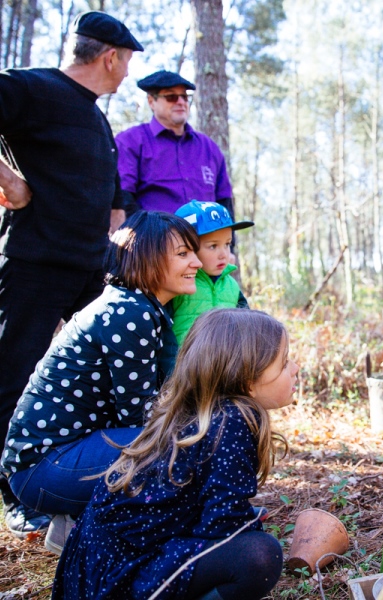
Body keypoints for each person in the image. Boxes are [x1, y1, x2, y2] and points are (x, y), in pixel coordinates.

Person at [0, 10, 143, 537]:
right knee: (14, 376)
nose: (126, 73)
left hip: (91, 272)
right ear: (110, 57)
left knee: (92, 383)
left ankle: (78, 484)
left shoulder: (94, 115)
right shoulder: (31, 88)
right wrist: (11, 183)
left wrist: (119, 238)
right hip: (36, 264)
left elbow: (109, 195)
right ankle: (17, 497)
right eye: (126, 63)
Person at [52, 309, 297, 600]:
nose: (294, 367)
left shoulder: (199, 415)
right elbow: (223, 526)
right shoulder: (232, 421)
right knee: (259, 555)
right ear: (246, 380)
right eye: (283, 364)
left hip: (98, 568)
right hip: (123, 577)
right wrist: (248, 523)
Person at [1, 211, 202, 551]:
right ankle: (175, 529)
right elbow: (140, 416)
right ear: (147, 257)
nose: (196, 261)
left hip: (57, 460)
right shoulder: (129, 311)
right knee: (177, 444)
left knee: (182, 436)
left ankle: (76, 527)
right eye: (183, 253)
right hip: (43, 466)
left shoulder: (142, 307)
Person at [115, 70, 234, 217]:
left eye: (185, 97)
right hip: (155, 238)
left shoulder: (209, 148)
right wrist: (147, 236)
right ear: (151, 101)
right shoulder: (131, 142)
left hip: (206, 239)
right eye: (171, 96)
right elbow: (123, 199)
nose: (181, 102)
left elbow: (225, 203)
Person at [171, 200, 254, 345]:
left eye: (227, 244)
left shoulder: (232, 286)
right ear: (187, 247)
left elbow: (247, 328)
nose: (223, 254)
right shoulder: (178, 285)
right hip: (184, 365)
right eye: (213, 246)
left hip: (224, 365)